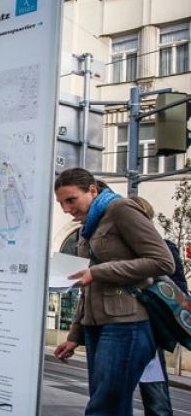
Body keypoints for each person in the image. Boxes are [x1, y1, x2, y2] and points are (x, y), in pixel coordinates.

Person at [53, 168, 174, 415]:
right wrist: (75, 335)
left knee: (104, 408)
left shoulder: (121, 210)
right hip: (96, 326)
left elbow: (163, 261)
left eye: (71, 200)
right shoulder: (88, 226)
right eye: (61, 203)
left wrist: (98, 272)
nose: (66, 209)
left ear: (92, 190)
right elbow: (87, 287)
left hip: (128, 322)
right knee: (111, 406)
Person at [132, 195, 183, 416]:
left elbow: (178, 291)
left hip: (148, 329)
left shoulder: (163, 249)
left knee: (155, 398)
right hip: (122, 326)